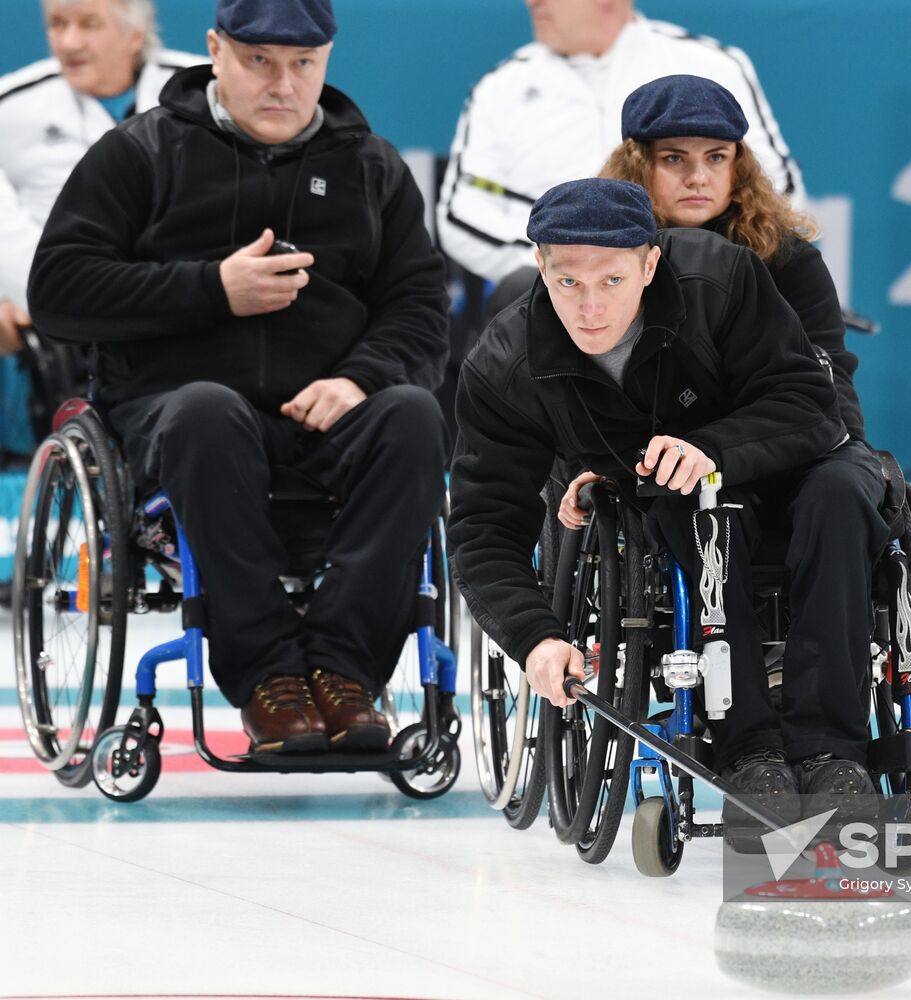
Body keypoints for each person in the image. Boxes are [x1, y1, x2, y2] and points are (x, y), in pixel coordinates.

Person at [27, 0, 450, 755]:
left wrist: (360, 378)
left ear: (326, 60)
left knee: (413, 415)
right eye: (260, 61)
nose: (283, 84)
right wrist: (211, 290)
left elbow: (418, 307)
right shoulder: (142, 152)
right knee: (206, 411)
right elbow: (59, 290)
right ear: (216, 51)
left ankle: (342, 673)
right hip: (177, 415)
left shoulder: (371, 166)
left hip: (325, 414)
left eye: (304, 65)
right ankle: (267, 679)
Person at [449, 178, 889, 821]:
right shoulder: (505, 363)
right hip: (676, 494)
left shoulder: (722, 281)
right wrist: (534, 637)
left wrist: (710, 447)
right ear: (540, 266)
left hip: (800, 460)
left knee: (843, 494)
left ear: (650, 263)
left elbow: (810, 404)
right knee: (687, 504)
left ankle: (832, 754)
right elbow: (483, 523)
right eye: (568, 282)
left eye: (612, 281)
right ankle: (749, 751)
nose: (590, 307)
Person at [436, 0, 805, 290]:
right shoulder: (501, 87)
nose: (531, 2)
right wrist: (570, 266)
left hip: (710, 287)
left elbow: (777, 189)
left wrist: (701, 268)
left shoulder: (713, 64)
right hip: (556, 296)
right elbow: (462, 211)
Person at [603, 73, 865, 443]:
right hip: (638, 451)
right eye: (674, 158)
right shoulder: (599, 259)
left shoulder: (789, 260)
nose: (697, 177)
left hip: (764, 442)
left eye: (716, 157)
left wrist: (849, 458)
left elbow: (828, 378)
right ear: (637, 164)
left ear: (737, 166)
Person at [0, 0, 202, 454]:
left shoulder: (205, 89)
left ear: (135, 33)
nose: (68, 42)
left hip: (189, 308)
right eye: (56, 24)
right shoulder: (11, 105)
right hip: (68, 324)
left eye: (89, 24)